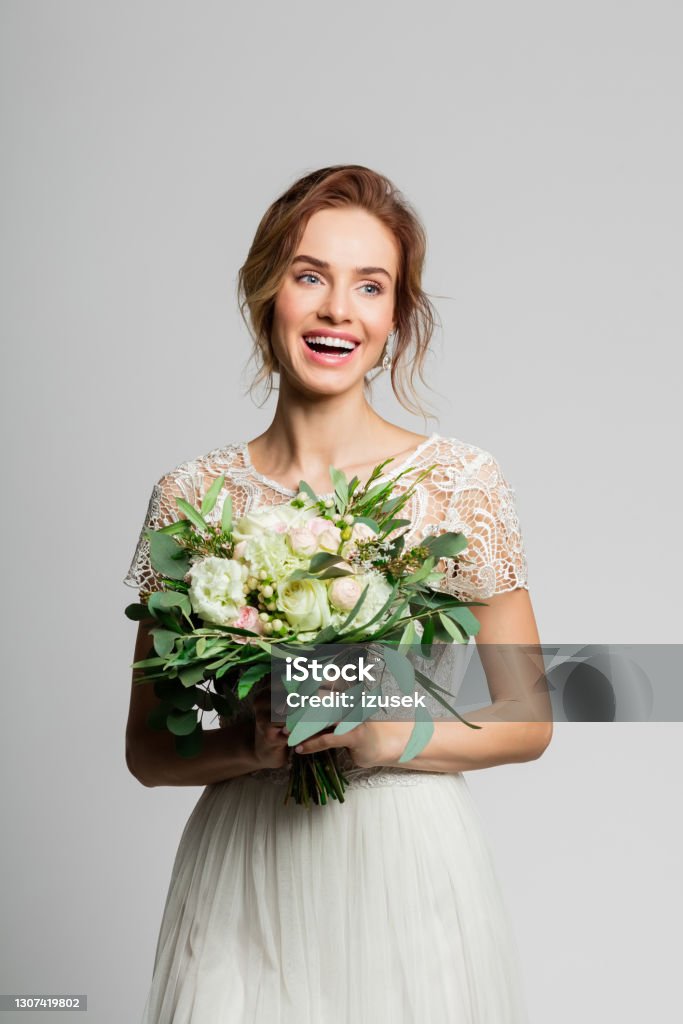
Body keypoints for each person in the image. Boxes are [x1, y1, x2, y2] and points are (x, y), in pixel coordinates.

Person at [123, 164, 552, 1023]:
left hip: (402, 858)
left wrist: (390, 734)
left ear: (395, 320)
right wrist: (253, 741)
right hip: (246, 864)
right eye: (308, 276)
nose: (336, 310)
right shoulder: (192, 497)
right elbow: (146, 748)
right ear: (265, 293)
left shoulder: (459, 484)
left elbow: (530, 713)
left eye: (370, 286)